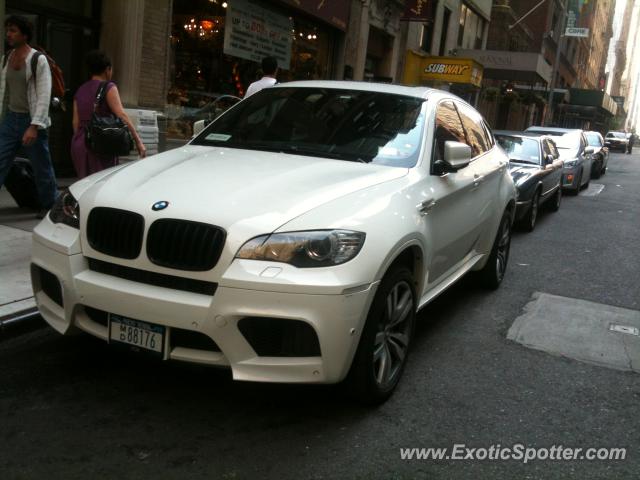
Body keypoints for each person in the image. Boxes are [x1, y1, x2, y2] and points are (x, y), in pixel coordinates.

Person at [0, 15, 58, 218]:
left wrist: (34, 126)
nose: (8, 34)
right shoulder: (7, 57)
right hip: (11, 119)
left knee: (42, 167)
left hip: (31, 121)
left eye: (13, 30)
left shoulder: (37, 59)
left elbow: (44, 94)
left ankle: (50, 206)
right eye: (7, 29)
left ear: (24, 35)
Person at [71, 50, 145, 178]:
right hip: (101, 144)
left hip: (80, 144)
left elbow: (75, 123)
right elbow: (122, 115)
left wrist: (81, 141)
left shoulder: (80, 90)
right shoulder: (109, 87)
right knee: (100, 186)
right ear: (107, 69)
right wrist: (138, 141)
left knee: (84, 185)